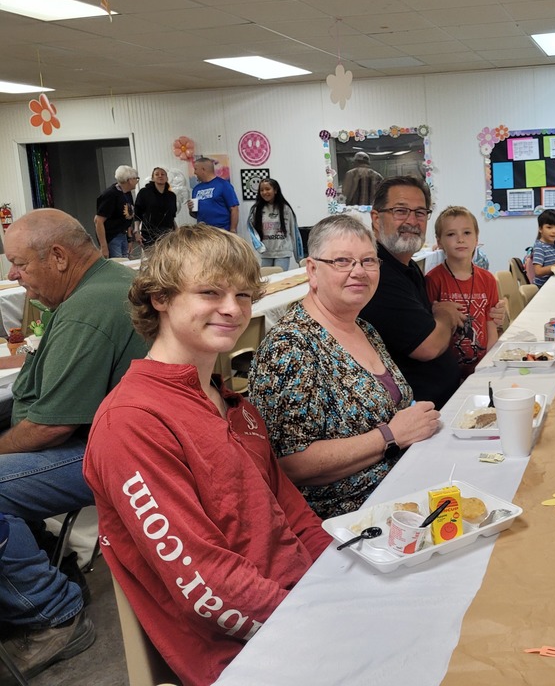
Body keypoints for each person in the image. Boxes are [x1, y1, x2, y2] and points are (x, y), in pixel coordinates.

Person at [84, 225, 332, 686]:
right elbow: (208, 583)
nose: (232, 309)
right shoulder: (133, 423)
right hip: (246, 654)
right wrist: (317, 625)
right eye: (210, 292)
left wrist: (344, 582)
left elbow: (295, 518)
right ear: (159, 298)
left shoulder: (235, 405)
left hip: (307, 606)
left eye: (243, 294)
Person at [0, 209, 147, 677]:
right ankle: (51, 571)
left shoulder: (87, 308)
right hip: (115, 442)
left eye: (19, 263)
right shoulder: (104, 282)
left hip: (119, 455)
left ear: (59, 257)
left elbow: (50, 428)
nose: (12, 275)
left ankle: (53, 614)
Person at [249, 215, 441, 517]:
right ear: (312, 270)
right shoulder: (290, 346)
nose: (359, 272)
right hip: (349, 522)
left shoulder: (365, 329)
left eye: (368, 261)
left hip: (403, 493)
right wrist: (390, 436)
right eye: (342, 261)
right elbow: (292, 464)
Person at [359, 176, 464, 407]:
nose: (412, 221)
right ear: (376, 219)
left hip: (446, 399)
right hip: (417, 416)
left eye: (419, 213)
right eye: (400, 211)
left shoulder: (406, 267)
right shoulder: (377, 274)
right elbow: (429, 346)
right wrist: (445, 314)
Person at [426, 206, 501, 378]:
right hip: (447, 372)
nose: (460, 239)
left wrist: (489, 365)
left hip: (482, 368)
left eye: (467, 233)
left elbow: (491, 325)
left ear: (476, 238)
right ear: (439, 241)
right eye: (451, 234)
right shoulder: (433, 279)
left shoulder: (488, 279)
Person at [247, 178, 303, 270]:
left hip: (283, 252)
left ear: (275, 190)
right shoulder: (256, 210)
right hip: (266, 253)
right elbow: (252, 231)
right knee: (266, 280)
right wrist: (259, 247)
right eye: (261, 190)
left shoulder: (285, 209)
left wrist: (299, 258)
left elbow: (294, 232)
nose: (264, 192)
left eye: (268, 189)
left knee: (280, 280)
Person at [94, 164, 139, 258]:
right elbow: (98, 221)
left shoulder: (127, 193)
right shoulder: (110, 195)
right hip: (113, 237)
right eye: (136, 178)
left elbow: (128, 217)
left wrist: (129, 240)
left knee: (125, 264)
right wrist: (104, 246)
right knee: (118, 265)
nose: (137, 181)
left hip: (123, 235)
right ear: (129, 180)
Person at [188, 156, 239, 233]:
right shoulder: (196, 189)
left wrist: (233, 230)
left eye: (195, 169)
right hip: (203, 232)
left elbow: (234, 209)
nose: (194, 172)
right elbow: (195, 215)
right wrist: (191, 209)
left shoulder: (223, 185)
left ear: (203, 169)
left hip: (222, 231)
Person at [133, 166, 177, 248]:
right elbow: (137, 214)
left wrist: (177, 233)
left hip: (168, 234)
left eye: (163, 174)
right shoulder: (144, 193)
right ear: (153, 178)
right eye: (157, 174)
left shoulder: (172, 196)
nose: (160, 176)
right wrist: (137, 231)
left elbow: (172, 216)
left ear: (167, 178)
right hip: (149, 234)